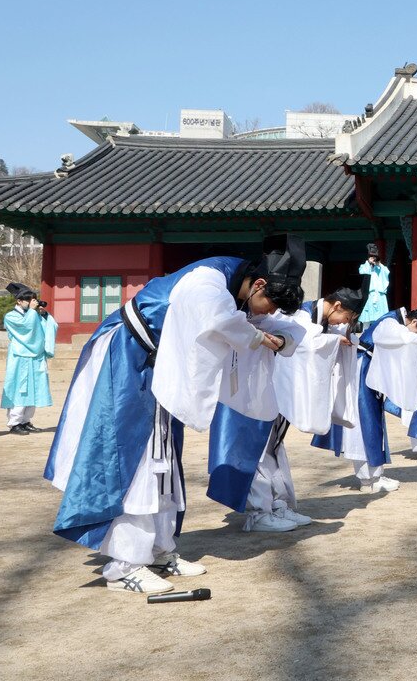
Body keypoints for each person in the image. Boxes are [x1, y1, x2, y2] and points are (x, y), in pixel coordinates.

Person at [44, 235, 308, 595]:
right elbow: (220, 320)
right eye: (268, 304)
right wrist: (261, 339)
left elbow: (264, 326)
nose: (265, 314)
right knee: (138, 461)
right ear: (259, 283)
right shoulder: (208, 281)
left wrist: (274, 336)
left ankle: (158, 548)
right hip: (130, 360)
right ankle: (124, 564)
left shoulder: (235, 289)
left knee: (166, 459)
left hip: (154, 367)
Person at [207, 286, 364, 533]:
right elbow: (304, 345)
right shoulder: (299, 314)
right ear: (336, 306)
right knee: (257, 450)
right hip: (258, 388)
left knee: (274, 448)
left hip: (274, 391)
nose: (345, 323)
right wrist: (332, 341)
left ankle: (278, 504)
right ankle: (259, 512)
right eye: (348, 317)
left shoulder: (308, 317)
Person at [314, 299, 417, 491]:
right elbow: (405, 339)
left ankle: (375, 474)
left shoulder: (395, 321)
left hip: (365, 370)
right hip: (361, 373)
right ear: (413, 322)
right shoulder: (390, 322)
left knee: (372, 423)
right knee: (363, 426)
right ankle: (368, 479)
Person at [1, 282, 52, 435]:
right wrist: (32, 312)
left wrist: (43, 315)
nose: (31, 304)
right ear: (18, 301)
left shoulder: (33, 314)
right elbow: (25, 329)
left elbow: (48, 327)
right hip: (20, 357)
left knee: (33, 388)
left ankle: (26, 420)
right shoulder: (10, 316)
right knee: (19, 388)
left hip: (34, 356)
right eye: (28, 300)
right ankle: (15, 422)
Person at [358, 243, 390, 324]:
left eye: (375, 257)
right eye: (371, 256)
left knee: (380, 319)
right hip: (369, 295)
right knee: (366, 319)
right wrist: (368, 263)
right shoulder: (364, 266)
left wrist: (379, 264)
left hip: (380, 295)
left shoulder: (381, 268)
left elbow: (386, 273)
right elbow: (363, 273)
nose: (373, 259)